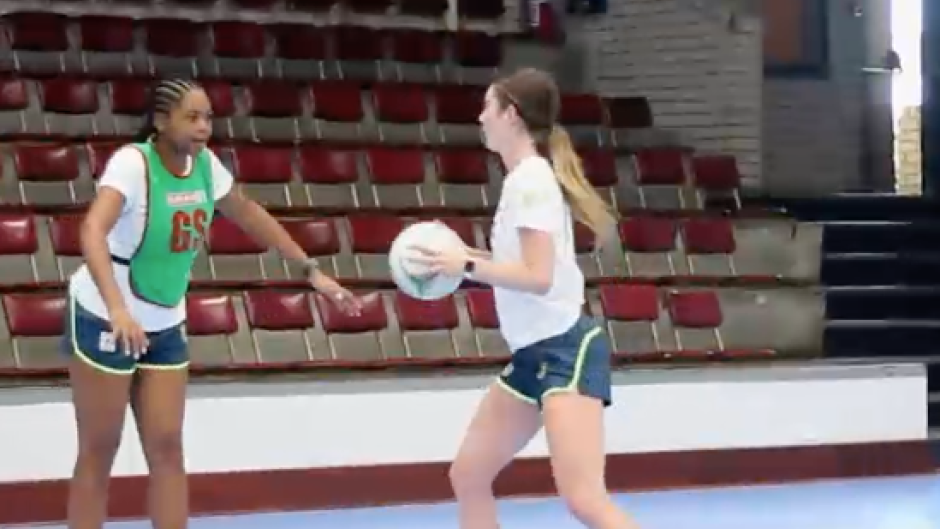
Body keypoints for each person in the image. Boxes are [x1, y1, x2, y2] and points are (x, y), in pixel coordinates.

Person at [64, 78, 362, 529]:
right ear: (162, 122)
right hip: (104, 315)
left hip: (164, 319)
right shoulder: (132, 164)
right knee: (99, 449)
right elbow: (91, 232)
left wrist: (310, 269)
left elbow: (246, 212)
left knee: (167, 447)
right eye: (193, 117)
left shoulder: (205, 165)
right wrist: (118, 309)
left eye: (209, 117)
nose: (204, 126)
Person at [410, 68, 641, 529]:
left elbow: (537, 277)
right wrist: (457, 257)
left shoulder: (532, 182)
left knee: (584, 500)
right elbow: (514, 266)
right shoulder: (522, 180)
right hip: (531, 356)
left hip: (565, 350)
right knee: (469, 474)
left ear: (511, 116)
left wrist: (468, 266)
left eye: (487, 107)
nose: (480, 117)